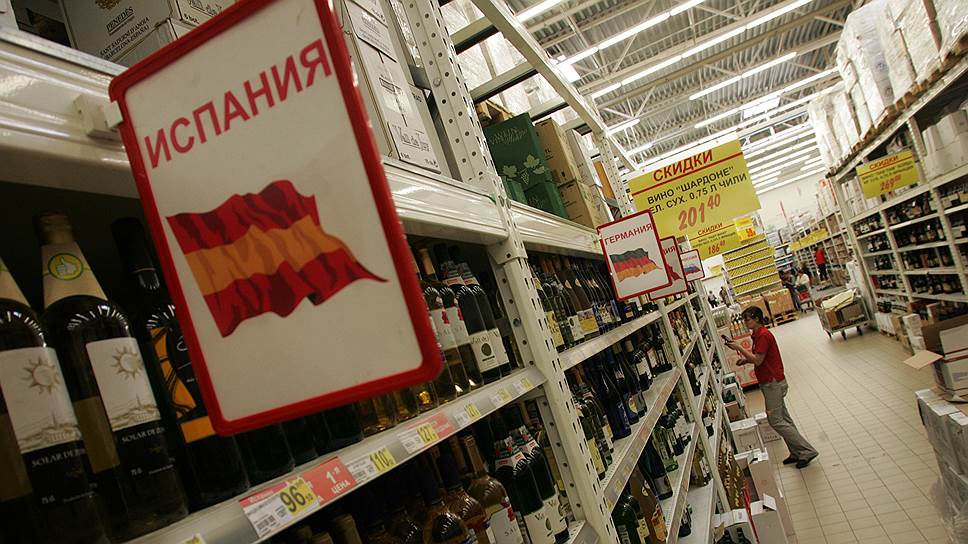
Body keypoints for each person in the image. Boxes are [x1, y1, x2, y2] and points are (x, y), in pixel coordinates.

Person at [726, 307, 818, 468]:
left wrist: (738, 348)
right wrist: (745, 360)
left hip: (772, 382)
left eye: (747, 319)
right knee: (784, 418)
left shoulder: (763, 335)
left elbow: (758, 360)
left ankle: (807, 451)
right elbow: (761, 358)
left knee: (775, 420)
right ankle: (796, 452)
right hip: (770, 381)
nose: (745, 322)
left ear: (756, 319)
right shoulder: (758, 335)